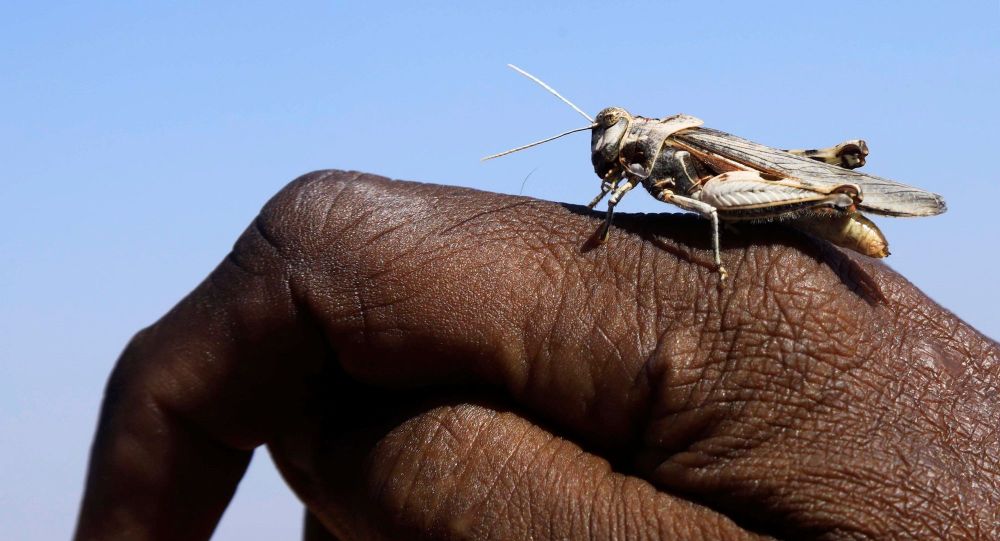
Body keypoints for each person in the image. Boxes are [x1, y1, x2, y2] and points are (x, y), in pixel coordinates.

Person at [74, 170, 999, 540]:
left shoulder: (671, 156)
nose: (608, 154)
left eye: (612, 143)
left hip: (790, 189)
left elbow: (696, 194)